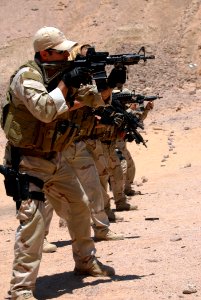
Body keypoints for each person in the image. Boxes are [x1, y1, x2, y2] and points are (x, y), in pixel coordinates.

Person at [1, 26, 115, 300]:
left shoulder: (60, 75)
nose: (67, 56)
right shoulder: (27, 77)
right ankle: (21, 289)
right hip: (29, 161)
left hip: (56, 157)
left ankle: (85, 261)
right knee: (33, 223)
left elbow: (95, 103)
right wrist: (67, 84)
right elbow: (44, 110)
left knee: (79, 207)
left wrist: (107, 85)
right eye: (61, 52)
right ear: (45, 52)